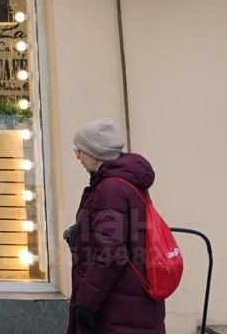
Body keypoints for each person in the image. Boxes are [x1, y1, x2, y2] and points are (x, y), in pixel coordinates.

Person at [66, 119, 166, 334]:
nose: (77, 157)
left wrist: (86, 303)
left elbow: (111, 253)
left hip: (115, 308)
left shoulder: (110, 189)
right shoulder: (126, 183)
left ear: (94, 152)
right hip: (130, 303)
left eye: (79, 150)